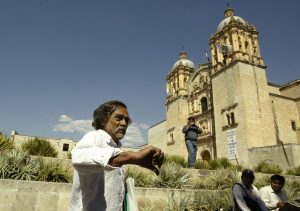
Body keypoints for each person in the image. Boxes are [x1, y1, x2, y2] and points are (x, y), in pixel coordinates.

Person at [68, 100, 164, 211]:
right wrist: (131, 157)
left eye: (126, 120)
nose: (124, 123)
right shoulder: (94, 137)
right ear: (103, 120)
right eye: (118, 118)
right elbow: (79, 158)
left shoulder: (116, 148)